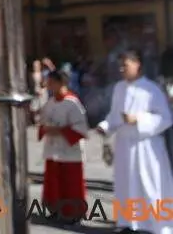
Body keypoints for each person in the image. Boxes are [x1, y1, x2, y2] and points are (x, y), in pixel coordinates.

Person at [97, 49, 173, 234]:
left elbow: (165, 118)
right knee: (126, 184)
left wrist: (139, 119)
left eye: (125, 65)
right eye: (120, 65)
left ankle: (157, 226)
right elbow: (115, 115)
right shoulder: (119, 88)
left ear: (137, 64)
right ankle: (128, 222)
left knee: (150, 186)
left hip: (146, 147)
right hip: (125, 146)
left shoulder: (151, 89)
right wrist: (105, 126)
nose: (121, 69)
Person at [38, 70, 88, 224]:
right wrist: (45, 128)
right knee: (53, 182)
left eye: (51, 83)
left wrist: (60, 131)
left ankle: (73, 213)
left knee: (70, 182)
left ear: (61, 83)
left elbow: (81, 129)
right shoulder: (50, 103)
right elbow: (42, 122)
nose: (48, 86)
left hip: (69, 151)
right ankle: (55, 209)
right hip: (53, 149)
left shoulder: (73, 103)